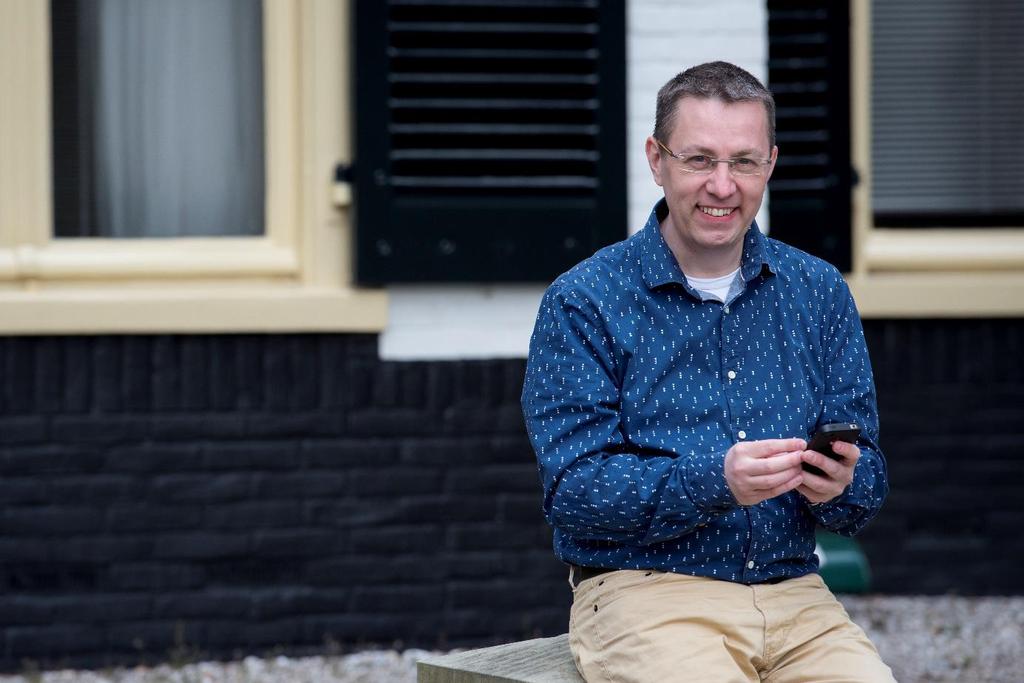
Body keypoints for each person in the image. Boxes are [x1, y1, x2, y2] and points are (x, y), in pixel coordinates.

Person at [521, 61, 894, 682]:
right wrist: (714, 481)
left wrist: (840, 486)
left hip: (796, 592)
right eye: (699, 160)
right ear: (656, 159)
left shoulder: (819, 291)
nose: (723, 186)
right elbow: (573, 495)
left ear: (769, 165)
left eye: (744, 162)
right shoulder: (585, 300)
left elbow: (870, 478)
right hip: (646, 595)